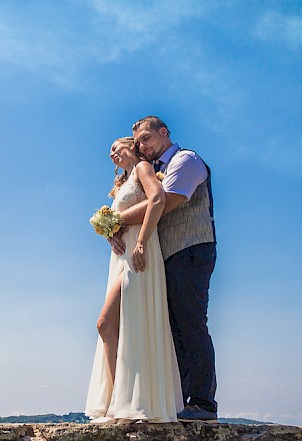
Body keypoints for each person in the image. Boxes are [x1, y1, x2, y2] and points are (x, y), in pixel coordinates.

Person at [109, 116, 218, 421]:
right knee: (172, 328)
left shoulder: (186, 161)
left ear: (164, 133)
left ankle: (203, 402)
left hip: (192, 249)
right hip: (166, 257)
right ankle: (179, 401)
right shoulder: (155, 170)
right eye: (139, 141)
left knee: (191, 322)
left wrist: (115, 221)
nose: (142, 146)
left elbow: (166, 202)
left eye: (146, 138)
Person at [85, 137, 184, 423]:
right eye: (109, 150)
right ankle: (120, 400)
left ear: (130, 146)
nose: (111, 153)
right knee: (117, 325)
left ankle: (122, 401)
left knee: (107, 323)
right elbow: (120, 221)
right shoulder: (120, 184)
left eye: (115, 147)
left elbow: (158, 200)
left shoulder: (143, 169)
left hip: (138, 254)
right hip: (120, 256)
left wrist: (140, 243)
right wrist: (110, 234)